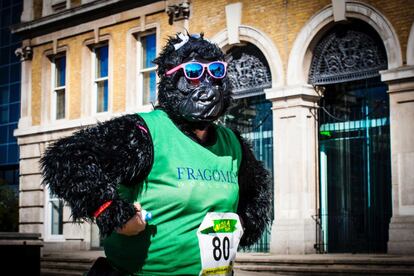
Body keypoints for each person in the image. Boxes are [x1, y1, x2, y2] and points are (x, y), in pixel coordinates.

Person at [40, 32, 271, 276]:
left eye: (215, 71)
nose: (206, 84)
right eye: (192, 73)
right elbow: (67, 159)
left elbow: (256, 191)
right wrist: (112, 212)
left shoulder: (232, 143)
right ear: (172, 79)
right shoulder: (144, 131)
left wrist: (244, 223)